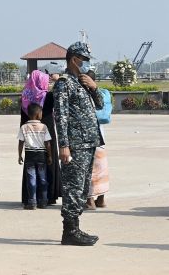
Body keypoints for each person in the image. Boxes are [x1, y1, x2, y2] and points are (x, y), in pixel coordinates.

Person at [53, 41, 104, 246]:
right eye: (84, 60)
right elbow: (61, 116)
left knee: (82, 188)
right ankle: (70, 231)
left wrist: (94, 88)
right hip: (75, 144)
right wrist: (63, 145)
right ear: (74, 59)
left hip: (88, 142)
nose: (87, 64)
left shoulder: (81, 82)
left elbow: (99, 105)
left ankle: (75, 227)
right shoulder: (64, 83)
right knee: (73, 188)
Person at [20, 70, 61, 206]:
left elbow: (22, 121)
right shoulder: (48, 97)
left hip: (30, 137)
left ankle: (30, 197)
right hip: (46, 135)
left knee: (30, 169)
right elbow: (61, 93)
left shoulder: (25, 97)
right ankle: (48, 196)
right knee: (48, 164)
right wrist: (58, 80)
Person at [18, 103, 52, 210]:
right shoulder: (44, 127)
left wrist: (19, 155)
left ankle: (32, 202)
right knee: (43, 179)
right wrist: (50, 156)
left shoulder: (24, 127)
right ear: (38, 114)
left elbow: (20, 143)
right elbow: (47, 143)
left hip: (29, 155)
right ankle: (43, 201)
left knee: (31, 179)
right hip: (41, 155)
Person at [85, 70, 111, 210]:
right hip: (102, 137)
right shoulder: (101, 93)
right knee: (101, 169)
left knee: (88, 169)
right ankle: (101, 199)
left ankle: (89, 200)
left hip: (88, 138)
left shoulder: (84, 95)